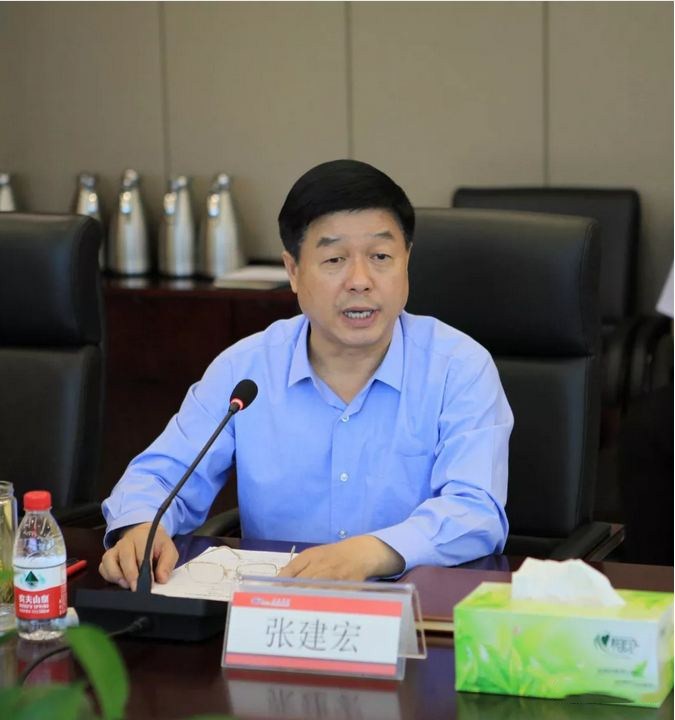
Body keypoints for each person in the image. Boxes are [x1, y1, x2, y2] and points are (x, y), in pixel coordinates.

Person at [99, 159, 513, 590]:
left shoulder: (459, 368)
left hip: (416, 613)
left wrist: (370, 553)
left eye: (381, 256)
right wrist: (141, 527)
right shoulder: (246, 370)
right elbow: (159, 476)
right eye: (334, 259)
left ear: (406, 260)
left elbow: (475, 509)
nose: (360, 280)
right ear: (293, 271)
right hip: (276, 611)